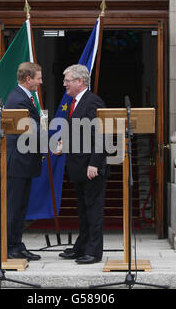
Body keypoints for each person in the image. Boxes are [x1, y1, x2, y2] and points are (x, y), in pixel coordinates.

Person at [57, 64, 108, 264]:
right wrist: (64, 145)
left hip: (90, 168)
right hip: (78, 167)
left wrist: (95, 163)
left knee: (93, 211)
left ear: (80, 81)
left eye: (67, 81)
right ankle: (81, 247)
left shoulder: (92, 102)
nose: (64, 85)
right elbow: (81, 133)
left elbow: (100, 134)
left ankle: (94, 252)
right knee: (83, 210)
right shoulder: (76, 102)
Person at [5, 62, 43, 261]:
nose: (40, 82)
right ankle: (10, 247)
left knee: (20, 208)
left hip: (23, 163)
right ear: (28, 79)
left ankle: (17, 245)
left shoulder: (23, 97)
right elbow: (31, 131)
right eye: (38, 78)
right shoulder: (18, 100)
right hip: (18, 163)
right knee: (14, 207)